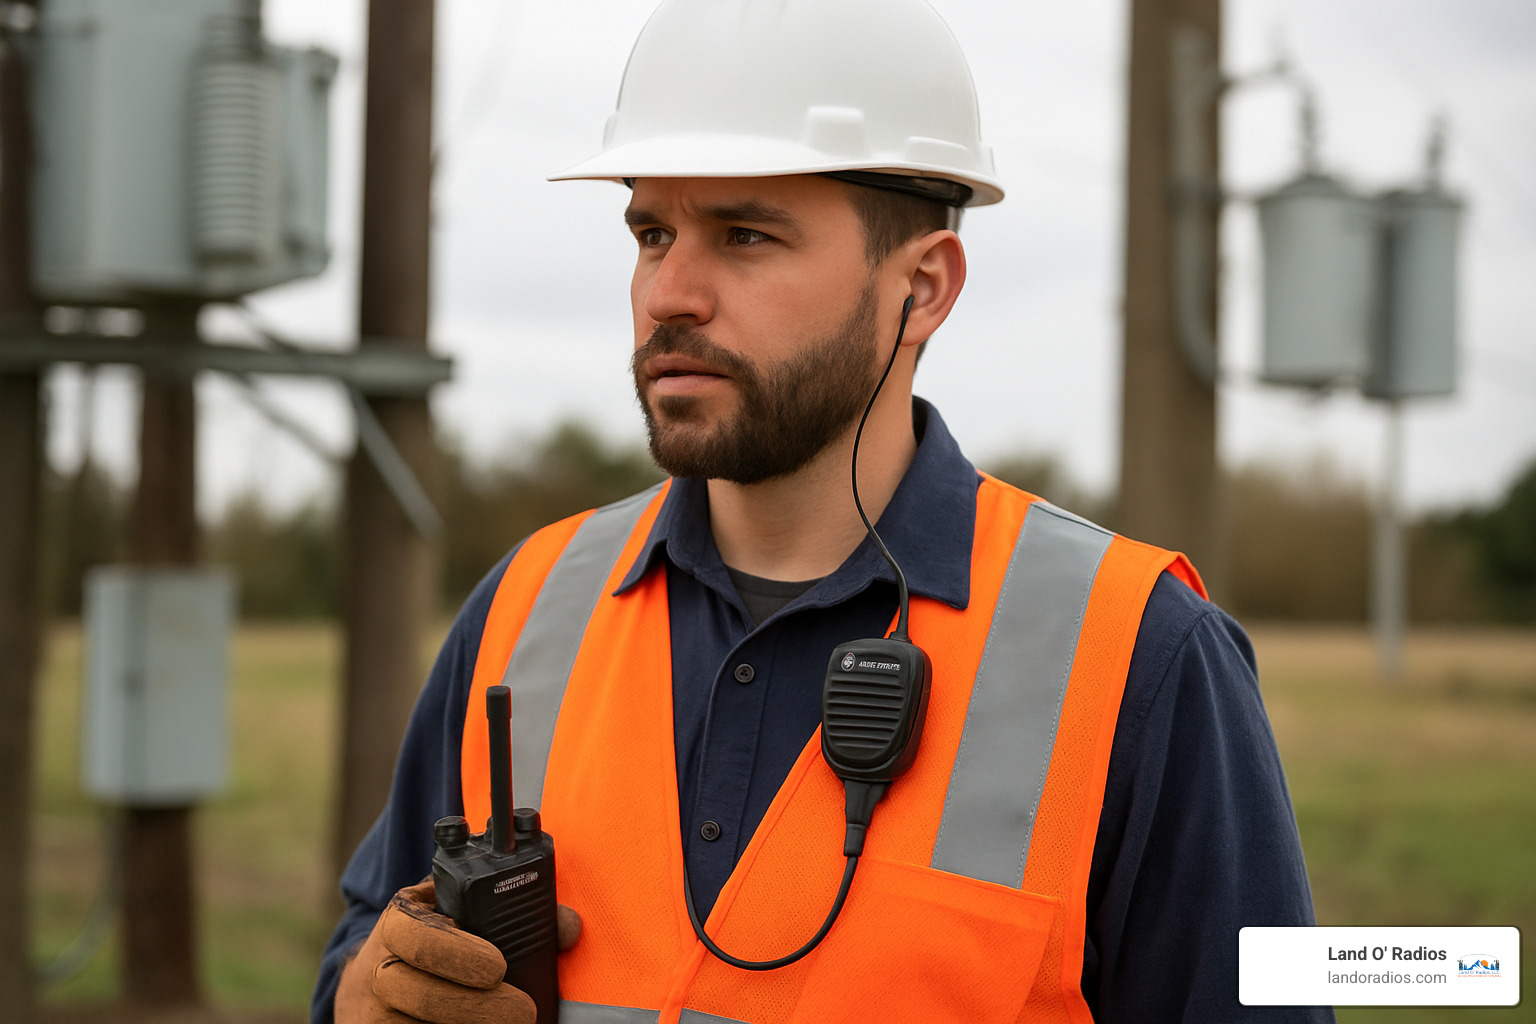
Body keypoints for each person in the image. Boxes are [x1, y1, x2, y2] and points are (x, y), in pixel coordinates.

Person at [315, 1, 1332, 1021]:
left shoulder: (1140, 657)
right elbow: (359, 958)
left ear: (923, 288)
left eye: (746, 234)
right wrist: (376, 994)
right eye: (652, 231)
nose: (670, 290)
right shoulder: (526, 608)